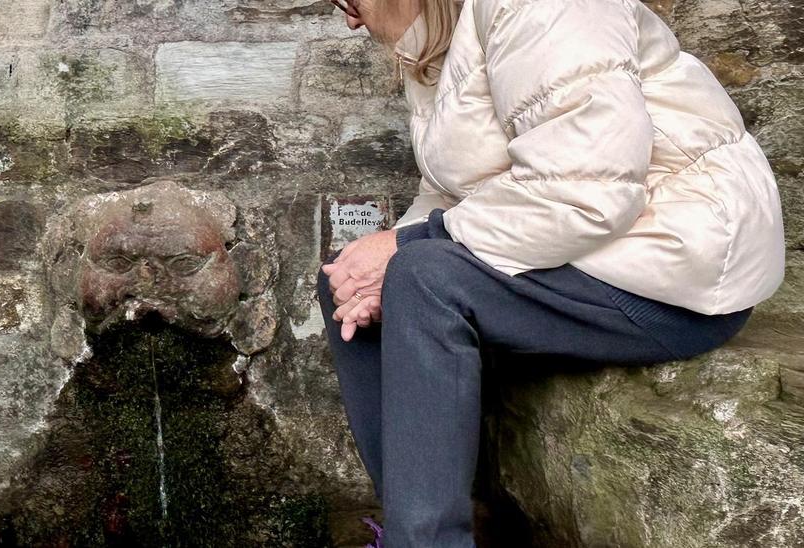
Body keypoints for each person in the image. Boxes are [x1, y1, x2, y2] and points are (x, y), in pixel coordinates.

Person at [316, 0, 786, 546]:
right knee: (349, 280)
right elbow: (453, 193)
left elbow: (590, 190)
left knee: (421, 276)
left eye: (350, 1)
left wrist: (403, 247)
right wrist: (372, 266)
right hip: (585, 253)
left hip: (673, 272)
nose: (349, 21)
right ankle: (414, 525)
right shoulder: (443, 46)